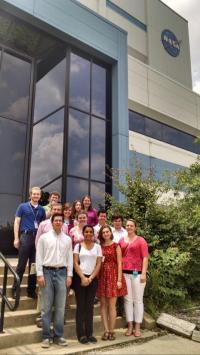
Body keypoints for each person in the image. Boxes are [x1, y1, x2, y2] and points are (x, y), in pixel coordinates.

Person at [36, 213, 73, 348]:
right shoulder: (44, 238)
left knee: (60, 307)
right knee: (46, 307)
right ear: (51, 222)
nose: (58, 222)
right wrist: (40, 274)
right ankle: (46, 336)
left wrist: (70, 275)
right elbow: (39, 256)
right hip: (46, 272)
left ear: (63, 223)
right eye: (56, 220)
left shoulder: (68, 239)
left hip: (62, 273)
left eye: (60, 220)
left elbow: (70, 258)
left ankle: (58, 335)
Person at [12, 187, 46, 299]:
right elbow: (17, 222)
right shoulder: (22, 206)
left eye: (38, 194)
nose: (36, 196)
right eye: (34, 194)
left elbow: (43, 226)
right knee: (21, 265)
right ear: (30, 195)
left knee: (34, 266)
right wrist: (16, 238)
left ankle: (31, 290)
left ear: (40, 196)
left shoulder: (42, 210)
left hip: (37, 238)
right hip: (25, 237)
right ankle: (15, 289)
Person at [119, 219, 149, 337]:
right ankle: (130, 325)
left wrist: (143, 273)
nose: (129, 227)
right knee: (127, 300)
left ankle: (137, 326)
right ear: (125, 227)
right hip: (125, 274)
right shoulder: (121, 241)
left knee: (138, 300)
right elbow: (119, 257)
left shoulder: (141, 240)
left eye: (131, 225)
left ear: (135, 227)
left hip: (137, 274)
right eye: (127, 225)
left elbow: (145, 257)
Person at [96, 225, 127, 341]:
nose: (105, 234)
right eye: (103, 232)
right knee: (103, 305)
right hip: (102, 276)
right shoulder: (99, 246)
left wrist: (119, 280)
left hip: (113, 275)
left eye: (107, 231)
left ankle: (112, 330)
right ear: (101, 234)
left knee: (112, 305)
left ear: (110, 232)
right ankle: (106, 330)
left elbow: (120, 263)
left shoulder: (116, 245)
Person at [73, 225, 102, 344]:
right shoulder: (78, 246)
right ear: (83, 233)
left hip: (92, 279)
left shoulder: (98, 247)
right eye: (86, 232)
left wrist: (90, 278)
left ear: (93, 234)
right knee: (81, 306)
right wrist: (83, 277)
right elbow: (75, 263)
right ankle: (81, 335)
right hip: (79, 278)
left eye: (91, 232)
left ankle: (90, 333)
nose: (89, 234)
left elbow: (99, 264)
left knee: (89, 307)